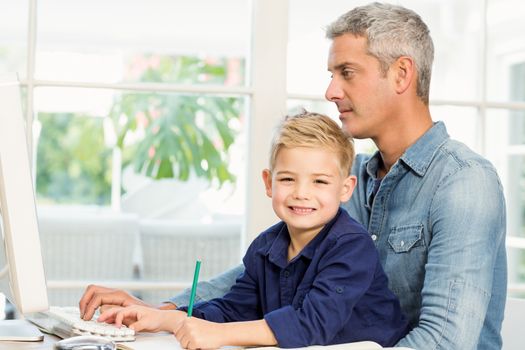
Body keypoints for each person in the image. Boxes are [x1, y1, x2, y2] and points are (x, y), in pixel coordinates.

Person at [79, 3, 507, 349]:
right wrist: (165, 311)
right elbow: (260, 276)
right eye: (331, 75)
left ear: (401, 74)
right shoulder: (350, 179)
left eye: (347, 73)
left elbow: (447, 341)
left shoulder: (464, 184)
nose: (331, 91)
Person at [94, 112, 409, 349]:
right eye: (288, 179)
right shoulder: (265, 247)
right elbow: (233, 309)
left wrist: (211, 333)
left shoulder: (351, 247)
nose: (301, 193)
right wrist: (163, 319)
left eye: (319, 181)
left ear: (345, 188)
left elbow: (312, 323)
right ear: (269, 183)